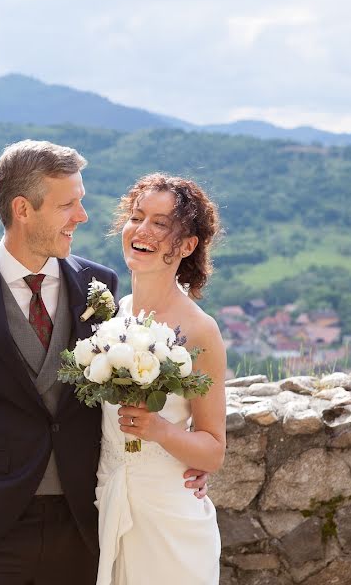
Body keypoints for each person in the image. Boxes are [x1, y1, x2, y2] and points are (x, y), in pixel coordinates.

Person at [0, 141, 208, 585]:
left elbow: (125, 389)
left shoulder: (98, 285)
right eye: (69, 204)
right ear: (23, 209)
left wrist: (180, 457)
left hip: (84, 522)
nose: (82, 216)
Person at [95, 173, 226, 585]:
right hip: (105, 500)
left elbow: (212, 452)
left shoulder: (200, 330)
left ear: (187, 246)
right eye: (137, 217)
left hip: (168, 517)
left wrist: (160, 431)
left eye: (161, 223)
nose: (142, 230)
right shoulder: (114, 314)